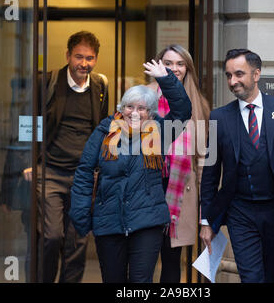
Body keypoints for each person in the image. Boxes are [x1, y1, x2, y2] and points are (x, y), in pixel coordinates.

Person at [69, 59, 192, 283]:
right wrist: (81, 216)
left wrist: (166, 79)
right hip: (109, 222)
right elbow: (85, 172)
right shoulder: (104, 130)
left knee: (140, 282)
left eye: (142, 108)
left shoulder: (160, 132)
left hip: (147, 222)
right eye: (129, 106)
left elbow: (183, 111)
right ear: (121, 108)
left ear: (151, 113)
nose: (134, 113)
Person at [199, 49, 274, 283]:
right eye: (229, 76)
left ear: (256, 74)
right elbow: (210, 173)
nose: (233, 81)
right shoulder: (219, 117)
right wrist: (206, 221)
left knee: (271, 277)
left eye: (239, 74)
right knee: (251, 277)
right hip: (240, 213)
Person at [21, 31, 109, 283]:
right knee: (50, 237)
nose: (84, 63)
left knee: (77, 242)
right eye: (79, 57)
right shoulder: (47, 82)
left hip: (82, 177)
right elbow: (29, 122)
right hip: (50, 173)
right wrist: (29, 162)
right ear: (68, 55)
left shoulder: (100, 86)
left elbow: (102, 130)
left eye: (90, 58)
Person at [146, 45, 210, 283]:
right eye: (168, 63)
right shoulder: (144, 97)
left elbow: (203, 160)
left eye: (180, 63)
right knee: (144, 259)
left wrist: (206, 210)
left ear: (188, 68)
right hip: (149, 188)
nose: (174, 68)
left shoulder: (199, 105)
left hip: (180, 191)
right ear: (158, 65)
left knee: (172, 261)